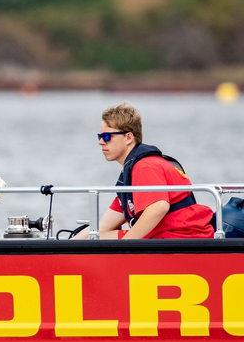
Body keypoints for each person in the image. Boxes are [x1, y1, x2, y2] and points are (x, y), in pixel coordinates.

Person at [75, 102, 213, 240]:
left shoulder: (145, 166)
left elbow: (159, 207)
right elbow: (104, 225)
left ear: (128, 137)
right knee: (93, 236)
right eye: (100, 137)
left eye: (107, 137)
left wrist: (126, 244)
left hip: (181, 236)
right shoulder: (130, 174)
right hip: (168, 235)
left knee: (96, 239)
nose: (101, 142)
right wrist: (71, 243)